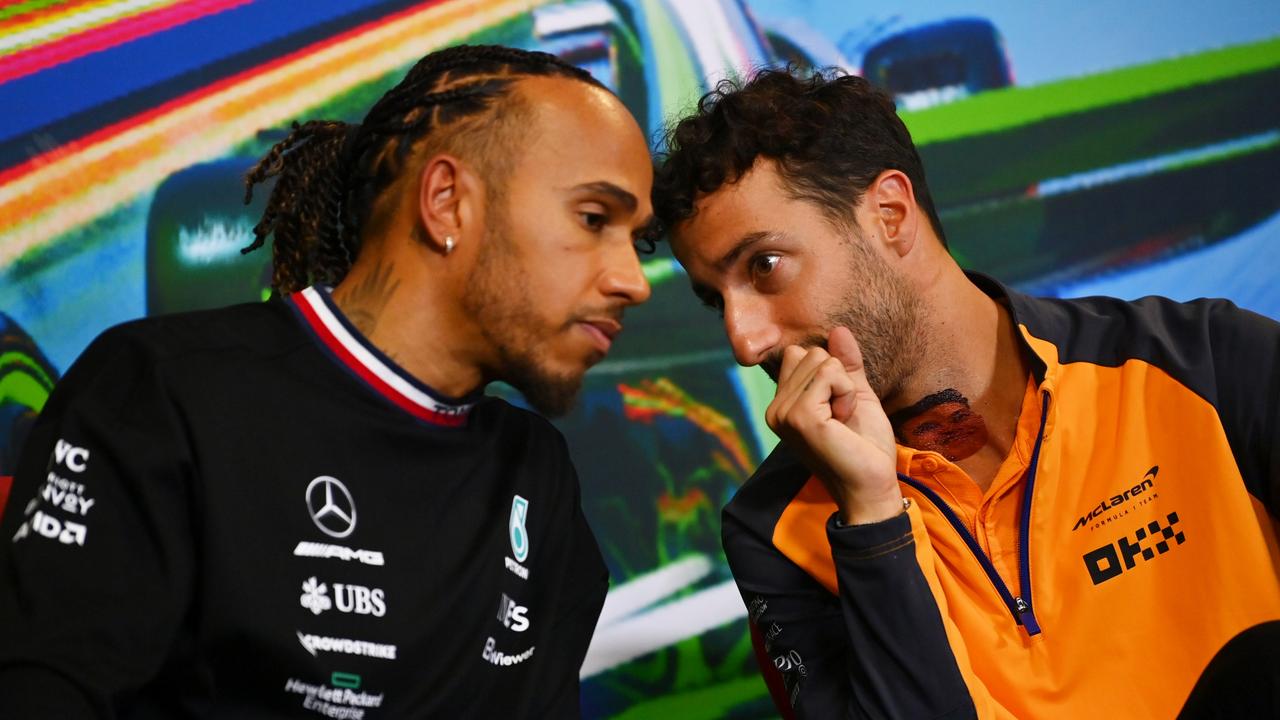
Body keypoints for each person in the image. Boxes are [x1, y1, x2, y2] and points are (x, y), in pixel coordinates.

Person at [0, 44, 656, 718]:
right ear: (447, 202)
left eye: (639, 240)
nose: (631, 281)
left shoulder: (537, 475)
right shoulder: (159, 393)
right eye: (594, 219)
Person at [652, 66, 1280, 719]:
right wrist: (871, 519)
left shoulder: (1207, 362)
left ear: (889, 216)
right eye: (713, 299)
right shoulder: (772, 528)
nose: (744, 342)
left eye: (765, 266)